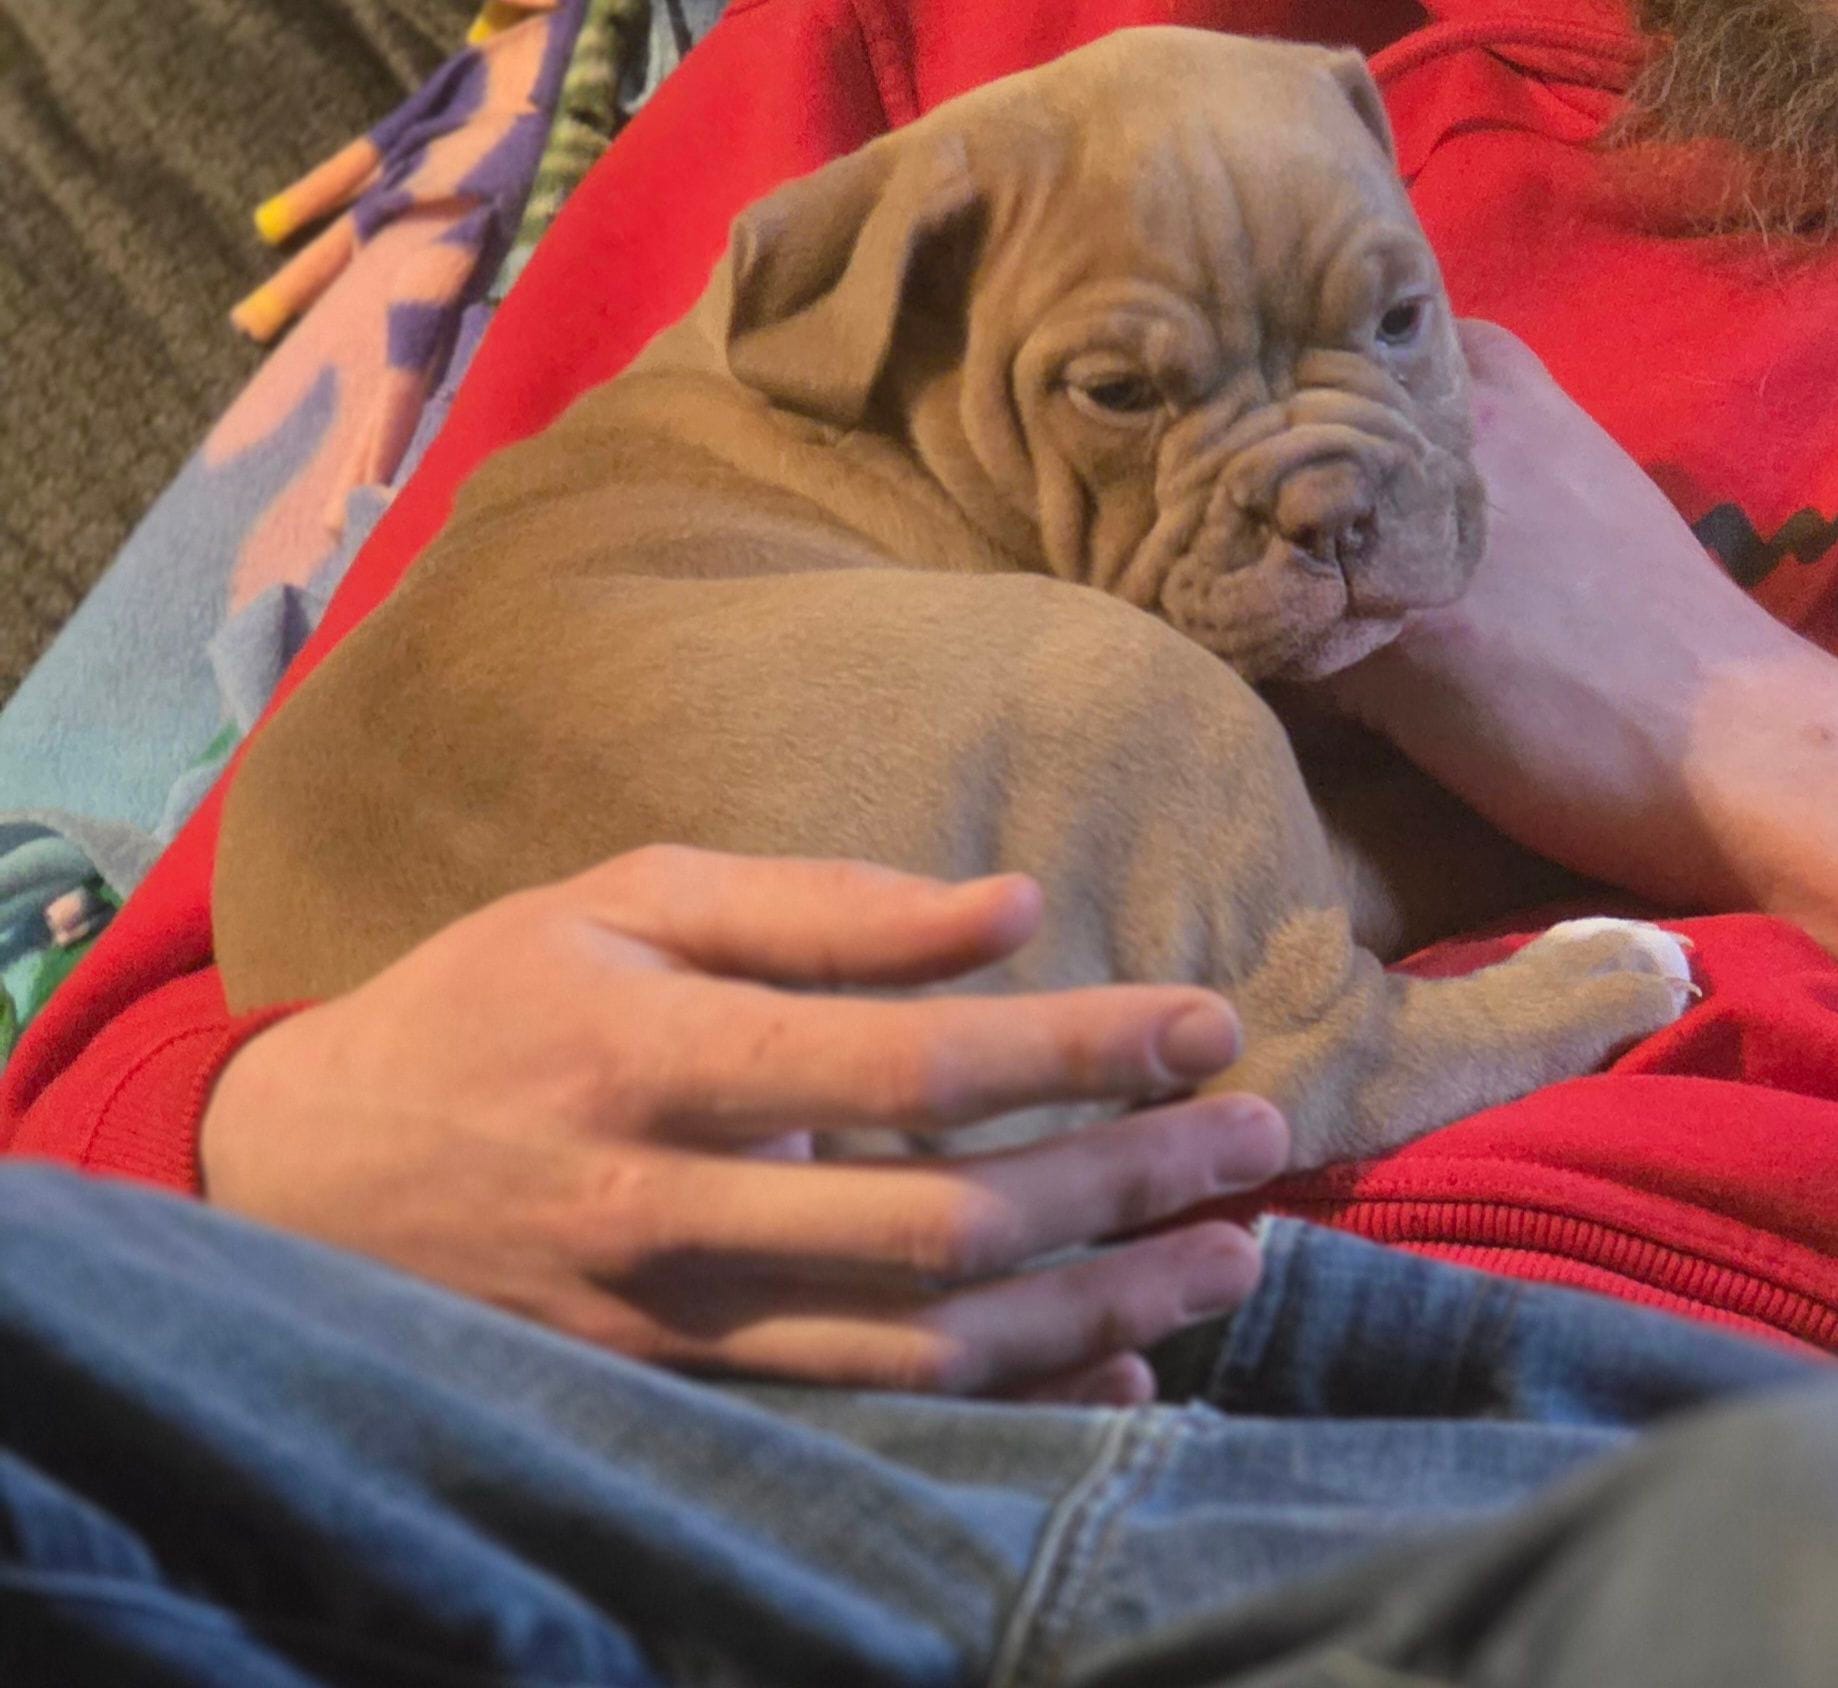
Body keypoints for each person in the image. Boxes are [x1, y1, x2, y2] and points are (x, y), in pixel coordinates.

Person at [3, 0, 1838, 1678]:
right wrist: (313, 1145)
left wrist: (1754, 744)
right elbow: (100, 1091)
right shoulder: (949, 83)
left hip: (1566, 1436)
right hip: (540, 1391)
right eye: (1123, 391)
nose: (1323, 480)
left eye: (1390, 323)